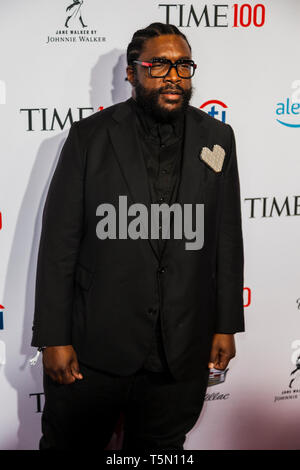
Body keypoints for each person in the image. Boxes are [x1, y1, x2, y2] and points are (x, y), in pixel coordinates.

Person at [31, 22, 245, 451]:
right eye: (159, 65)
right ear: (132, 73)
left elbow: (225, 238)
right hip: (96, 349)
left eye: (183, 65)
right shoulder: (90, 138)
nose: (174, 76)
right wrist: (54, 337)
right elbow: (59, 245)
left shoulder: (217, 137)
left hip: (181, 349)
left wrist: (226, 325)